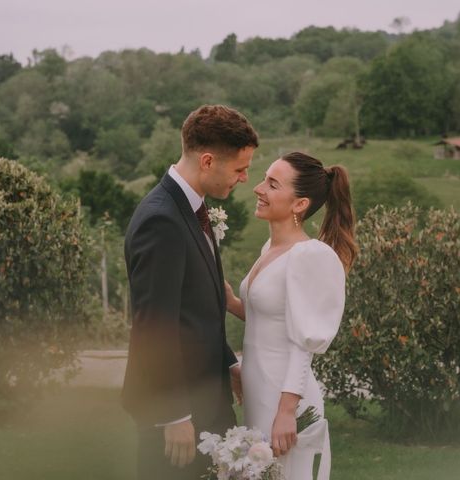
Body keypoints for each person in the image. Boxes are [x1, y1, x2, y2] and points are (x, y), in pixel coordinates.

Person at [122, 104, 259, 480]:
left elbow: (196, 313)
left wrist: (228, 362)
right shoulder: (160, 220)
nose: (245, 179)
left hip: (207, 397)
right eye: (240, 169)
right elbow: (156, 324)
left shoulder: (192, 210)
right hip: (177, 417)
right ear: (209, 160)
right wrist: (175, 414)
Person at [225, 152, 357, 480]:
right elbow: (268, 319)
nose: (258, 188)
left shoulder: (310, 255)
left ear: (300, 204)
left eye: (272, 184)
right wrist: (229, 301)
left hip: (284, 396)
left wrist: (287, 411)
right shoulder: (269, 250)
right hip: (258, 390)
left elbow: (304, 341)